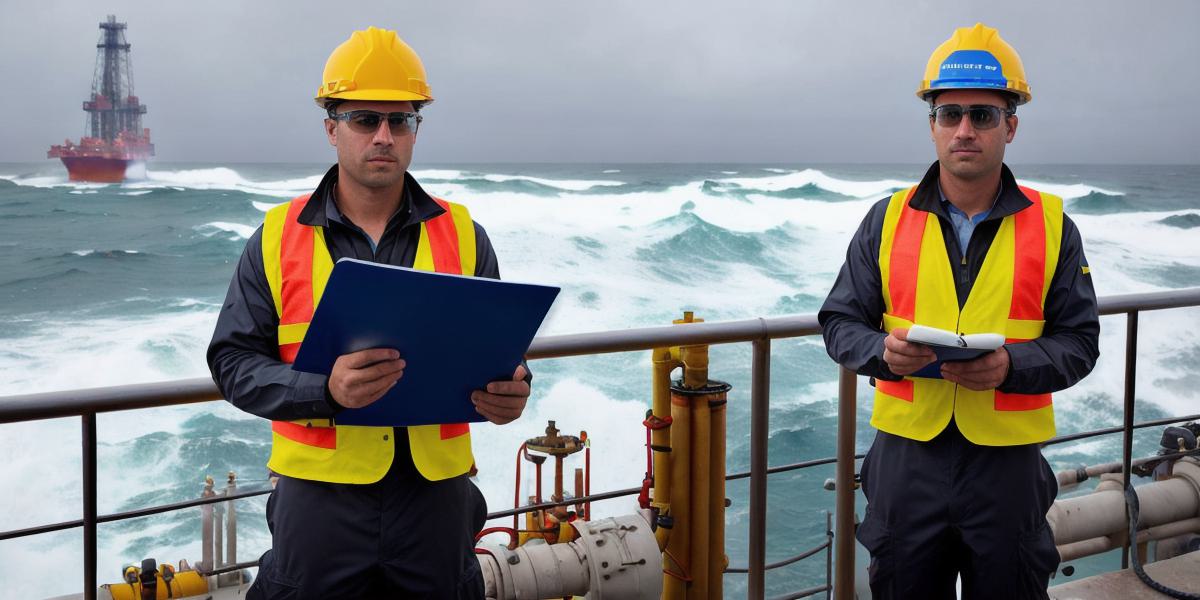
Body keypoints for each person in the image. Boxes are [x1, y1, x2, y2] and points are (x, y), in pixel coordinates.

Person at [207, 26, 531, 599]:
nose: (383, 135)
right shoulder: (276, 237)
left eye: (399, 120)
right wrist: (322, 390)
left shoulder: (464, 233)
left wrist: (514, 387)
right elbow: (232, 362)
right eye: (364, 119)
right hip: (319, 502)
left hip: (436, 500)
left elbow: (498, 351)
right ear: (332, 128)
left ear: (413, 132)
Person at [819, 23, 1099, 599]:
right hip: (906, 461)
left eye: (983, 115)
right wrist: (882, 352)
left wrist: (1011, 367)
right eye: (950, 114)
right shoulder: (886, 219)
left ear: (1011, 126)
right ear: (933, 126)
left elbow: (1079, 341)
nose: (964, 129)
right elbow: (840, 322)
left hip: (1007, 467)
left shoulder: (1052, 227)